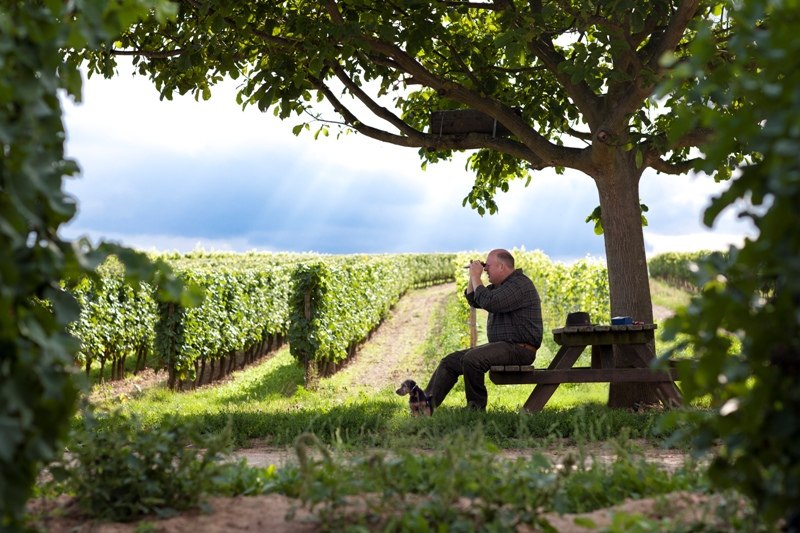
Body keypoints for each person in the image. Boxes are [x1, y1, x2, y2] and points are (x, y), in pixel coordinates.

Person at [424, 249, 543, 411]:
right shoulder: (501, 286)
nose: (485, 270)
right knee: (449, 362)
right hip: (505, 347)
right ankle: (425, 406)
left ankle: (475, 409)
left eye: (488, 266)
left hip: (519, 349)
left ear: (501, 267)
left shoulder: (519, 284)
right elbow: (475, 300)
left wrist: (476, 276)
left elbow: (489, 302)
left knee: (473, 359)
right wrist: (472, 277)